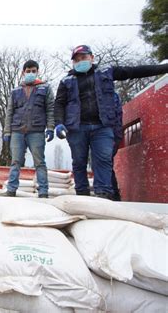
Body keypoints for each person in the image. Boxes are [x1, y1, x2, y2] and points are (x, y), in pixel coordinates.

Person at [54, 45, 168, 199]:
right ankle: (81, 196)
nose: (81, 61)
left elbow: (134, 71)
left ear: (92, 58)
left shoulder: (106, 72)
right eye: (77, 59)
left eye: (84, 57)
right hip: (77, 127)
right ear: (73, 62)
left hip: (103, 126)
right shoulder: (66, 80)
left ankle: (104, 195)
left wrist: (163, 68)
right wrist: (59, 123)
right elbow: (59, 103)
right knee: (79, 162)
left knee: (103, 160)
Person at [3, 60, 55, 198]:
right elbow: (9, 112)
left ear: (37, 72)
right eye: (28, 71)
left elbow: (50, 109)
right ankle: (11, 190)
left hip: (36, 131)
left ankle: (43, 191)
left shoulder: (45, 88)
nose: (31, 73)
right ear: (23, 72)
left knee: (39, 162)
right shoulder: (15, 91)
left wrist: (50, 127)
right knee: (15, 162)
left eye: (33, 71)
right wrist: (7, 131)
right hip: (17, 131)